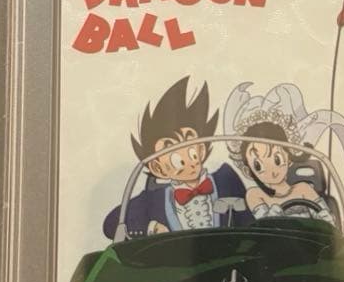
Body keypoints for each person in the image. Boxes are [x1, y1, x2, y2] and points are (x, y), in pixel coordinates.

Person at [103, 77, 250, 239]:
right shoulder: (154, 199)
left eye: (191, 150)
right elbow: (111, 223)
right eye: (176, 159)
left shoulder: (226, 179)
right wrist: (152, 227)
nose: (188, 161)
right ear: (158, 168)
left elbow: (250, 225)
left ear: (201, 149)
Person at [224, 82, 344, 225]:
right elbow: (265, 225)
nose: (271, 170)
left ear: (289, 158)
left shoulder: (303, 189)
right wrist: (273, 216)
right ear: (248, 171)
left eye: (277, 159)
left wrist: (325, 217)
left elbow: (327, 223)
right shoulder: (255, 194)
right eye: (258, 165)